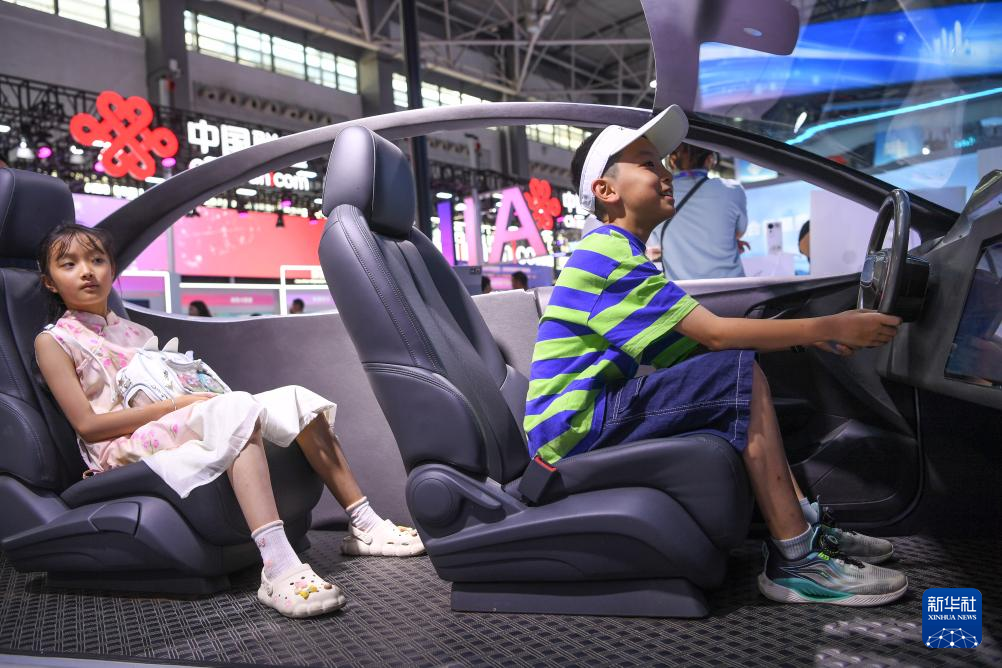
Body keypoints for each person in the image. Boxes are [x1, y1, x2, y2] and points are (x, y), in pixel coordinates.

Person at [525, 105, 908, 607]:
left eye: (665, 163)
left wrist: (806, 338)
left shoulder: (621, 254)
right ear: (606, 190)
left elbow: (692, 349)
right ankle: (797, 559)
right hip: (572, 428)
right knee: (737, 375)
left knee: (737, 375)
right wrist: (828, 325)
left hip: (583, 419)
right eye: (649, 163)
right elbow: (717, 336)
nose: (666, 173)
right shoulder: (605, 253)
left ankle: (805, 528)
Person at [34, 224, 424, 619]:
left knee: (296, 398)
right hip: (120, 446)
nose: (87, 271)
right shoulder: (54, 341)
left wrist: (187, 399)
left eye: (97, 259)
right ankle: (278, 567)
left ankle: (364, 524)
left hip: (171, 420)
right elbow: (88, 426)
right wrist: (178, 404)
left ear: (112, 269)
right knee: (234, 407)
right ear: (49, 281)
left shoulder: (137, 332)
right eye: (69, 264)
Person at [647, 142, 749, 280]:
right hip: (732, 287)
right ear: (710, 159)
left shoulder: (657, 195)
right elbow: (739, 232)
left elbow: (654, 242)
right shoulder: (732, 189)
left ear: (671, 161)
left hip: (684, 291)